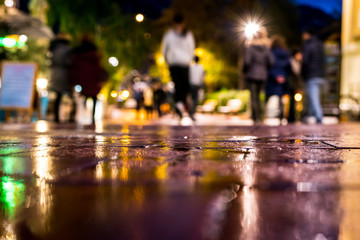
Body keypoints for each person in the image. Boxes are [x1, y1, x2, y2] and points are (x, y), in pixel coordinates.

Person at [161, 13, 195, 124]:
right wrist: (168, 61)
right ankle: (179, 105)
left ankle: (179, 104)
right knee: (178, 85)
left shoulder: (188, 35)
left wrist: (189, 59)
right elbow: (164, 50)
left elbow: (192, 48)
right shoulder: (169, 35)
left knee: (185, 86)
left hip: (185, 64)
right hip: (174, 64)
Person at [70, 34, 108, 124]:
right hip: (93, 78)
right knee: (94, 97)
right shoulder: (94, 54)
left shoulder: (78, 54)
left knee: (85, 96)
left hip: (83, 78)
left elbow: (75, 67)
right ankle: (92, 118)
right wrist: (100, 79)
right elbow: (98, 67)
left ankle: (84, 114)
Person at [243, 26, 274, 124]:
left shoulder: (250, 47)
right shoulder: (266, 48)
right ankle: (261, 117)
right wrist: (265, 69)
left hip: (252, 75)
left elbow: (247, 62)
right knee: (261, 96)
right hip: (263, 75)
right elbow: (272, 61)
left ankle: (255, 117)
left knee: (254, 97)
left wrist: (245, 70)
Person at [301, 29, 325, 124]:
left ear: (308, 34)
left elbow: (305, 61)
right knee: (314, 96)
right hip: (320, 74)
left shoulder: (308, 45)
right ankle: (310, 115)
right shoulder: (320, 45)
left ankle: (318, 116)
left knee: (313, 97)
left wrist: (303, 73)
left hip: (311, 74)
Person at [265, 35, 291, 122]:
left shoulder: (269, 52)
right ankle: (281, 117)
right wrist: (283, 76)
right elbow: (288, 66)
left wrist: (274, 76)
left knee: (267, 97)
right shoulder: (286, 53)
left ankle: (262, 116)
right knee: (281, 99)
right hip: (282, 78)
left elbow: (268, 66)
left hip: (271, 78)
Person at [48, 33, 72, 123]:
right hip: (65, 73)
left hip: (55, 72)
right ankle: (70, 117)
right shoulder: (67, 49)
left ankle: (56, 116)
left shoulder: (53, 48)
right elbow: (68, 61)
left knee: (58, 95)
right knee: (70, 95)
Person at [288, 48, 303, 123]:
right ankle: (291, 117)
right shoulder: (293, 62)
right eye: (299, 54)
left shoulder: (297, 62)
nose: (301, 56)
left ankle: (293, 116)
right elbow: (296, 74)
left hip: (294, 85)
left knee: (294, 101)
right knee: (292, 101)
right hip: (292, 85)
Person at [189, 55, 205, 121]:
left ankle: (191, 112)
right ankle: (192, 113)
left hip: (191, 84)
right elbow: (202, 77)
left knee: (191, 99)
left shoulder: (191, 67)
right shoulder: (201, 67)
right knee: (195, 99)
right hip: (197, 84)